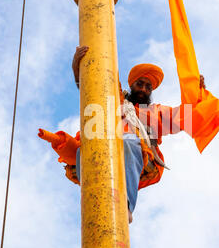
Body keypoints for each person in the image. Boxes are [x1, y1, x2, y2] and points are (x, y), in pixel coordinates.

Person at [72, 46, 206, 224]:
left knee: (127, 141)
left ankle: (124, 206)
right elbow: (91, 89)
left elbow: (186, 116)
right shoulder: (114, 101)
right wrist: (77, 68)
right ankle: (91, 202)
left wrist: (198, 93)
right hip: (107, 150)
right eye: (140, 84)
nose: (144, 89)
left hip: (141, 159)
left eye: (148, 87)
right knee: (83, 150)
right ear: (132, 85)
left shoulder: (154, 113)